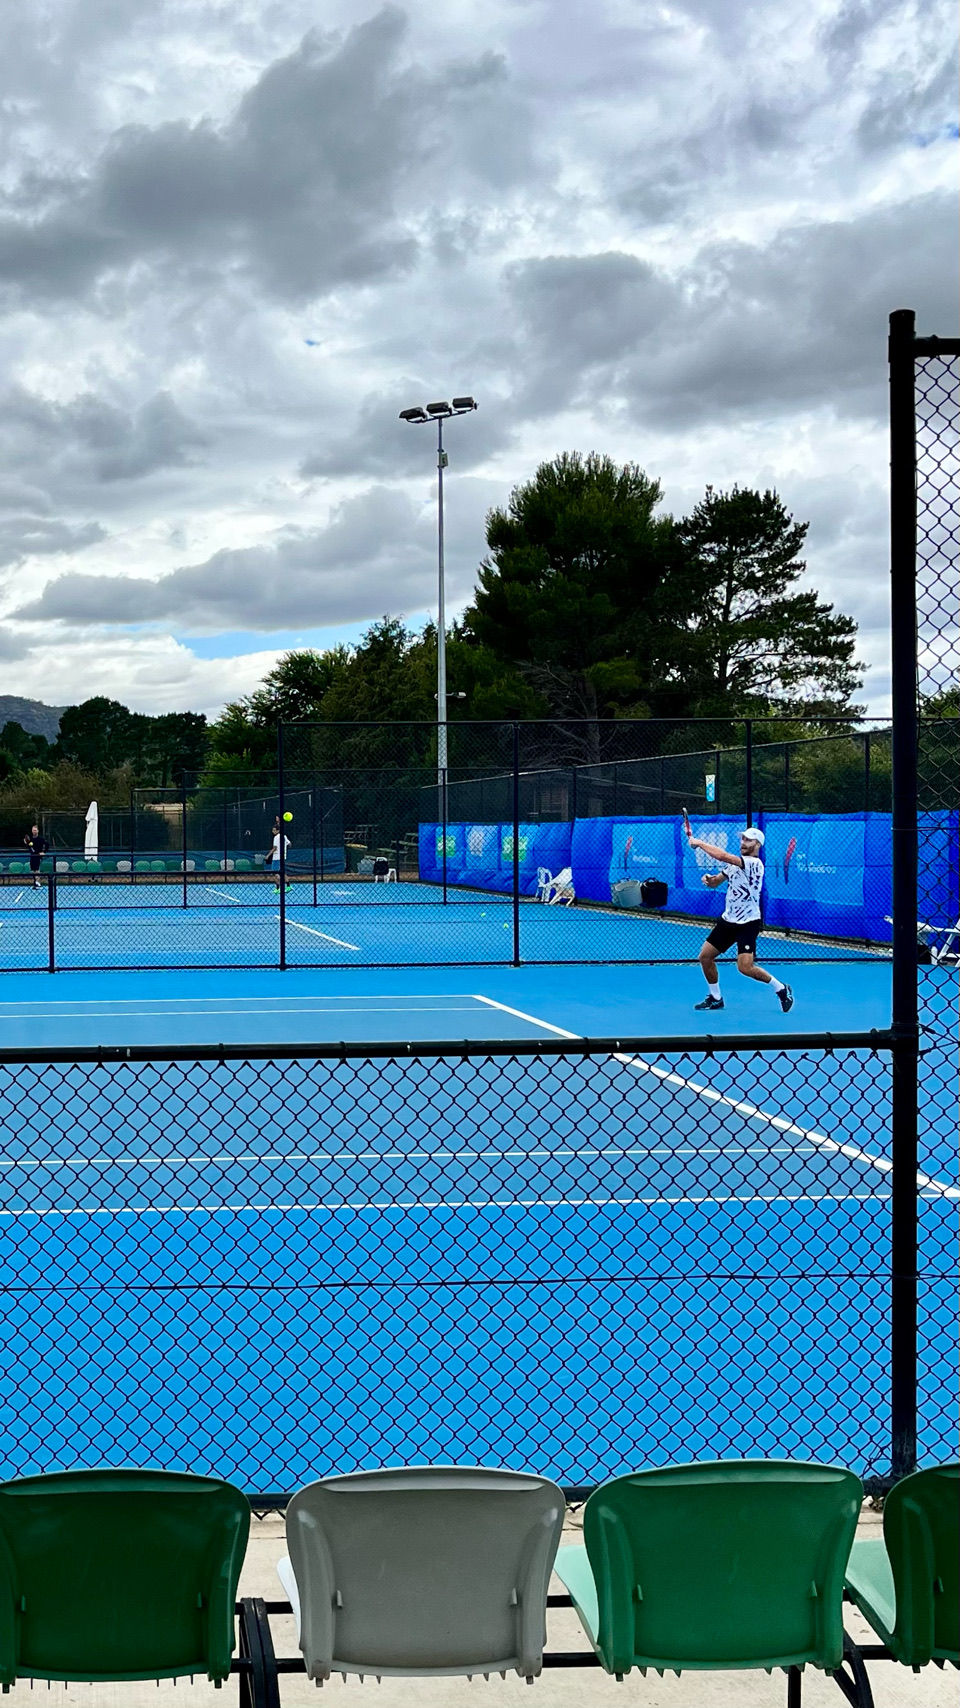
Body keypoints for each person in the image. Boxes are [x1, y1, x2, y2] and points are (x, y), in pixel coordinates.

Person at [685, 824, 794, 1013]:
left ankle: (781, 989)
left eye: (748, 840)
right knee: (705, 957)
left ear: (757, 844)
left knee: (745, 967)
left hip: (748, 923)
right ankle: (716, 998)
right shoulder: (735, 864)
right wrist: (709, 879)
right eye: (742, 838)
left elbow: (722, 856)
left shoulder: (754, 863)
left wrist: (700, 843)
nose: (743, 842)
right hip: (728, 920)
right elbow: (716, 882)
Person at [266, 817, 291, 892]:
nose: (273, 831)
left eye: (274, 830)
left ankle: (278, 888)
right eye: (272, 830)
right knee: (282, 872)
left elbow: (275, 848)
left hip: (277, 858)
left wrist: (268, 855)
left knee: (275, 873)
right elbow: (290, 844)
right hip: (283, 857)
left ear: (278, 830)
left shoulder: (276, 837)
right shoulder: (284, 836)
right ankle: (288, 886)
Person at [24, 823, 48, 890]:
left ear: (38, 831)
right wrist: (26, 843)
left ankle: (38, 883)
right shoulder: (30, 839)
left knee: (37, 870)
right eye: (33, 830)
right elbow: (29, 847)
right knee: (33, 870)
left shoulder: (41, 839)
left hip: (38, 856)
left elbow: (47, 845)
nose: (34, 831)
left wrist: (44, 852)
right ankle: (35, 883)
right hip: (32, 856)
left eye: (35, 830)